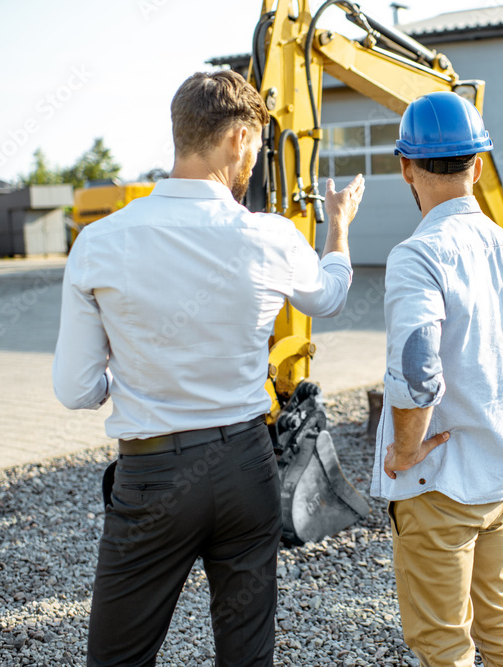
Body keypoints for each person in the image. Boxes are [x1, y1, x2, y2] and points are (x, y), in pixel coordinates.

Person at [52, 69, 365, 667]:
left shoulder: (99, 242)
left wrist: (140, 374)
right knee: (246, 656)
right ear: (240, 140)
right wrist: (339, 228)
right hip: (247, 468)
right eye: (257, 147)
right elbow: (329, 296)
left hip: (153, 479)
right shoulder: (269, 236)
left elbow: (75, 389)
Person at [372, 91, 503, 667]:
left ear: (405, 166)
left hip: (439, 482)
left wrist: (405, 450)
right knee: (497, 615)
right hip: (497, 474)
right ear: (477, 166)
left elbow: (416, 368)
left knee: (443, 642)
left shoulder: (418, 254)